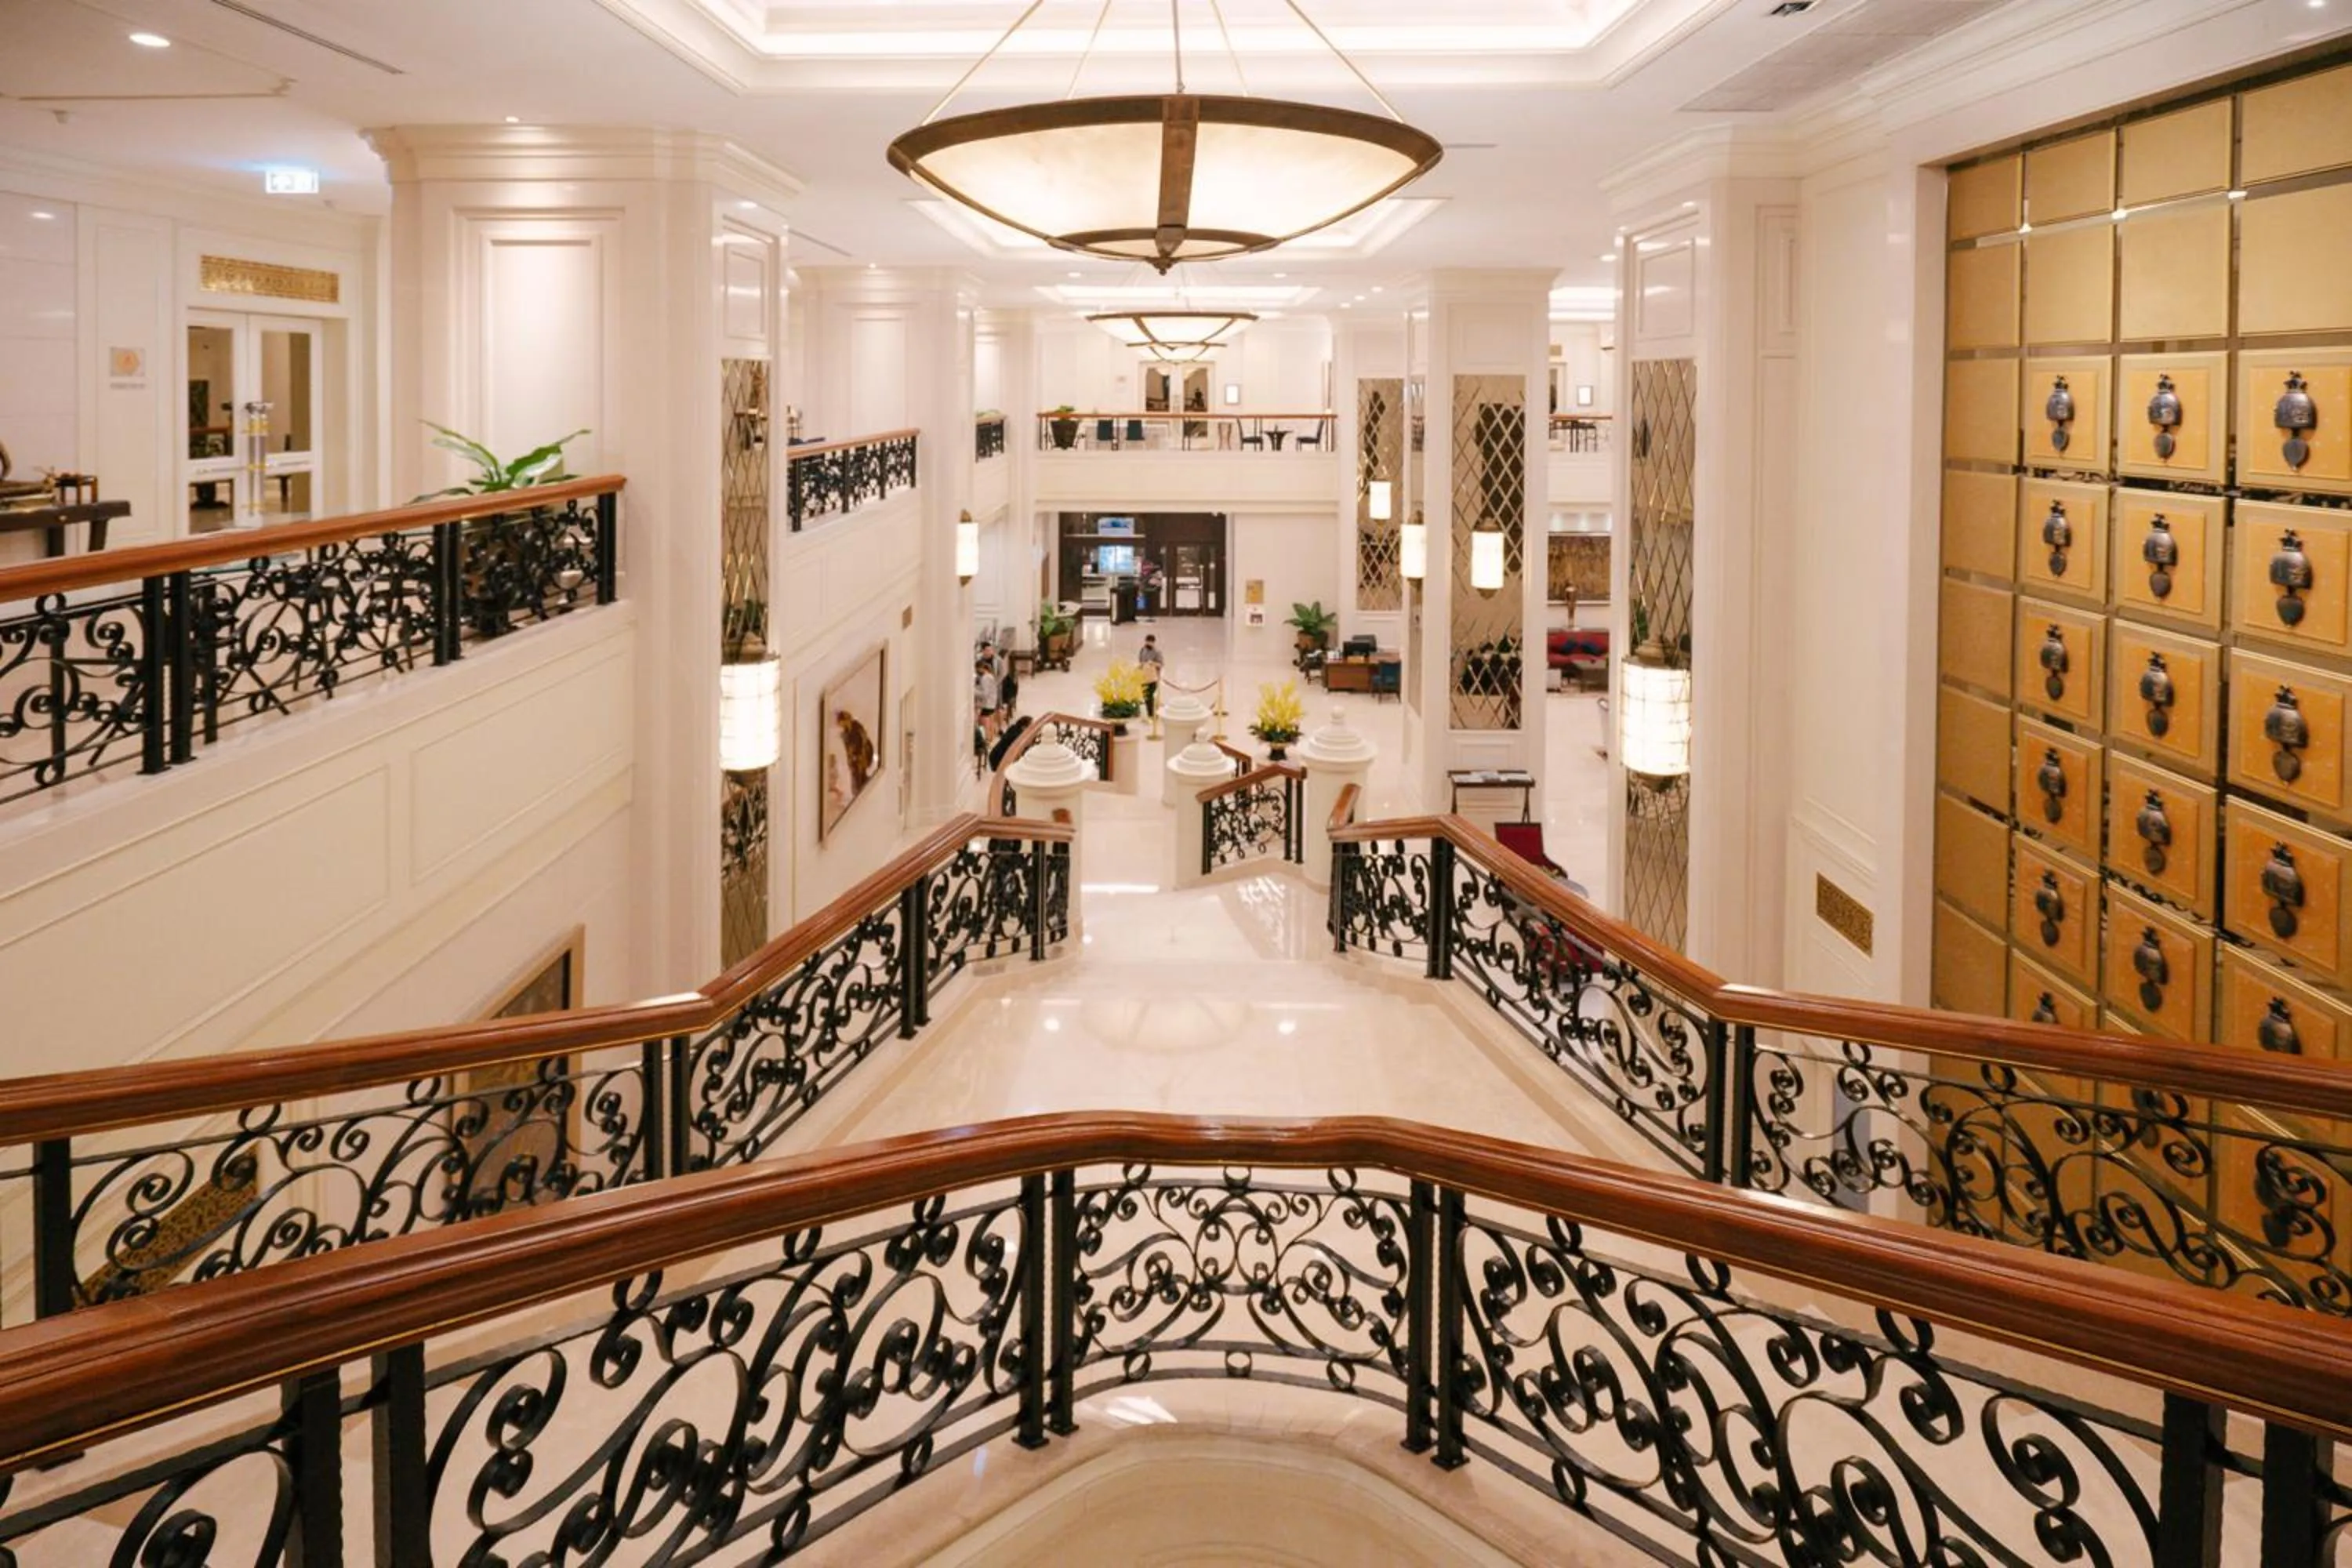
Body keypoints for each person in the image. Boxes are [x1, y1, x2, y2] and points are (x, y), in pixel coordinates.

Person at [1135, 633, 1164, 720]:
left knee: (1151, 697)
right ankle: (1148, 713)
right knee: (1145, 696)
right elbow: (1140, 661)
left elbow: (1161, 664)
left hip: (1153, 678)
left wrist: (1153, 663)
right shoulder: (1142, 650)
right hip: (1143, 678)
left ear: (1153, 642)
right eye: (1147, 642)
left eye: (1150, 642)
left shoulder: (1157, 652)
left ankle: (1152, 714)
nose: (1148, 644)